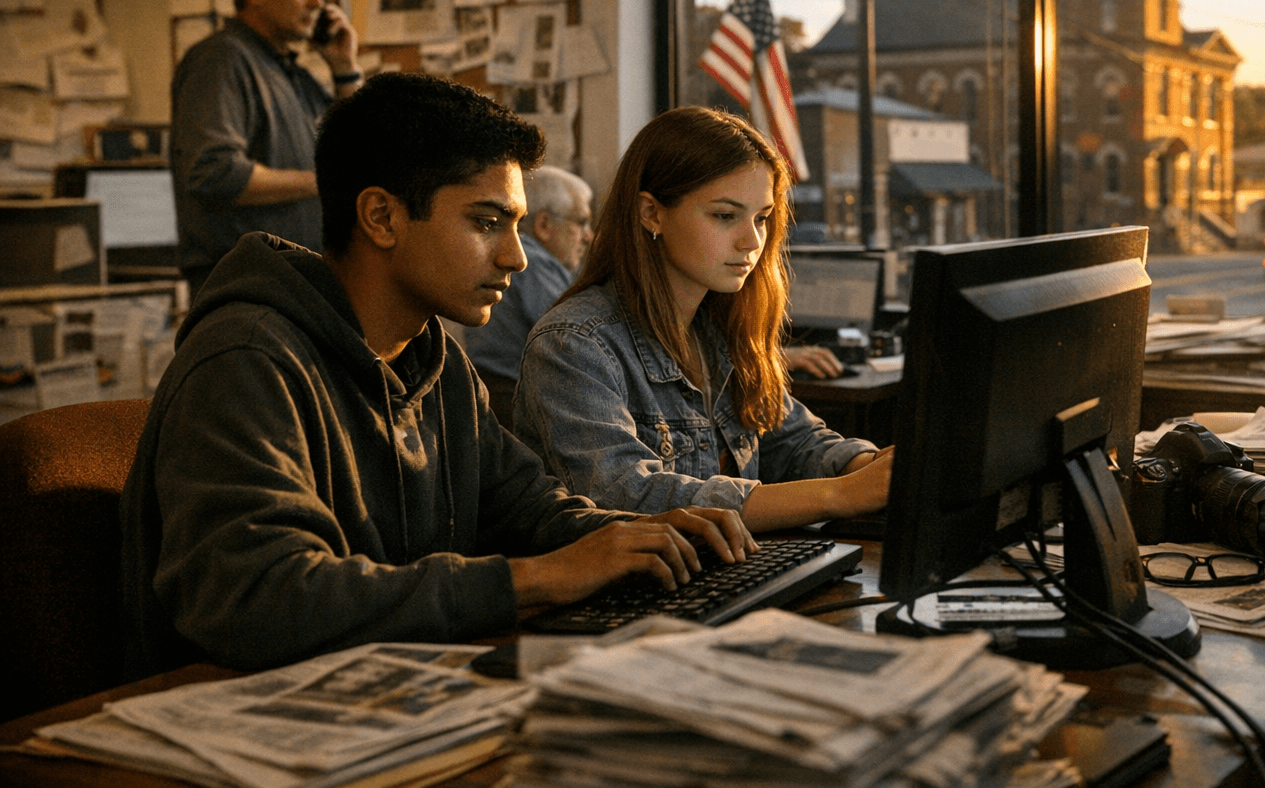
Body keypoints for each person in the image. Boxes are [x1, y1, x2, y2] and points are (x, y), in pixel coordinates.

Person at [120, 74, 752, 678]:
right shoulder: (247, 359)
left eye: (516, 224)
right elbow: (258, 598)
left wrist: (641, 538)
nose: (516, 255)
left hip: (394, 681)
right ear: (382, 217)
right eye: (485, 222)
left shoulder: (433, 359)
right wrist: (538, 577)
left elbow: (527, 507)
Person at [511, 106, 892, 533]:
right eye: (725, 215)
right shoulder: (574, 343)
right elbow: (628, 496)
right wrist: (842, 494)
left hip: (725, 572)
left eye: (762, 218)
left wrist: (874, 469)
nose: (752, 240)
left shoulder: (719, 327)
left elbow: (792, 441)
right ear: (651, 213)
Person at [171, 0, 363, 298]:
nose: (318, 4)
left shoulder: (292, 73)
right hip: (246, 290)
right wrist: (324, 182)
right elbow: (215, 173)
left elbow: (355, 152)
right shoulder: (221, 60)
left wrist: (345, 69)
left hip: (298, 286)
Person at [461, 166, 593, 425]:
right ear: (544, 225)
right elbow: (579, 341)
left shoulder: (520, 260)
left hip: (491, 395)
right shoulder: (534, 263)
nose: (589, 236)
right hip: (513, 401)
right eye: (581, 222)